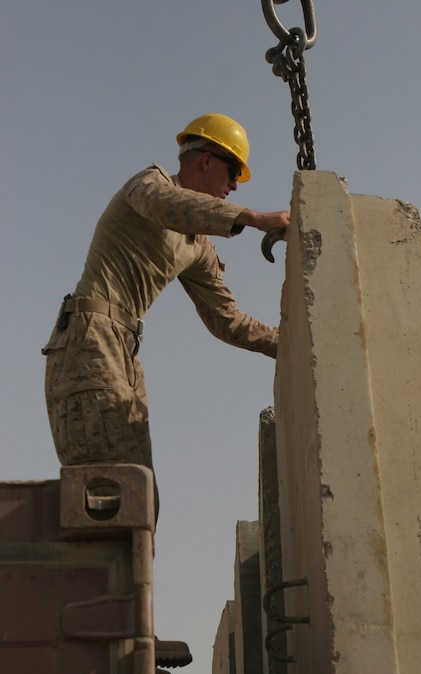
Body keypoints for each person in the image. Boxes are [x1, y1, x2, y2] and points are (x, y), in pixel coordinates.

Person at [42, 113, 289, 520]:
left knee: (141, 500)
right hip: (89, 339)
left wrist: (291, 343)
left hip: (124, 350)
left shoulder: (198, 245)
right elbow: (165, 205)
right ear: (206, 161)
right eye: (232, 173)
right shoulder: (150, 184)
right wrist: (253, 217)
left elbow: (226, 320)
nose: (234, 186)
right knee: (112, 494)